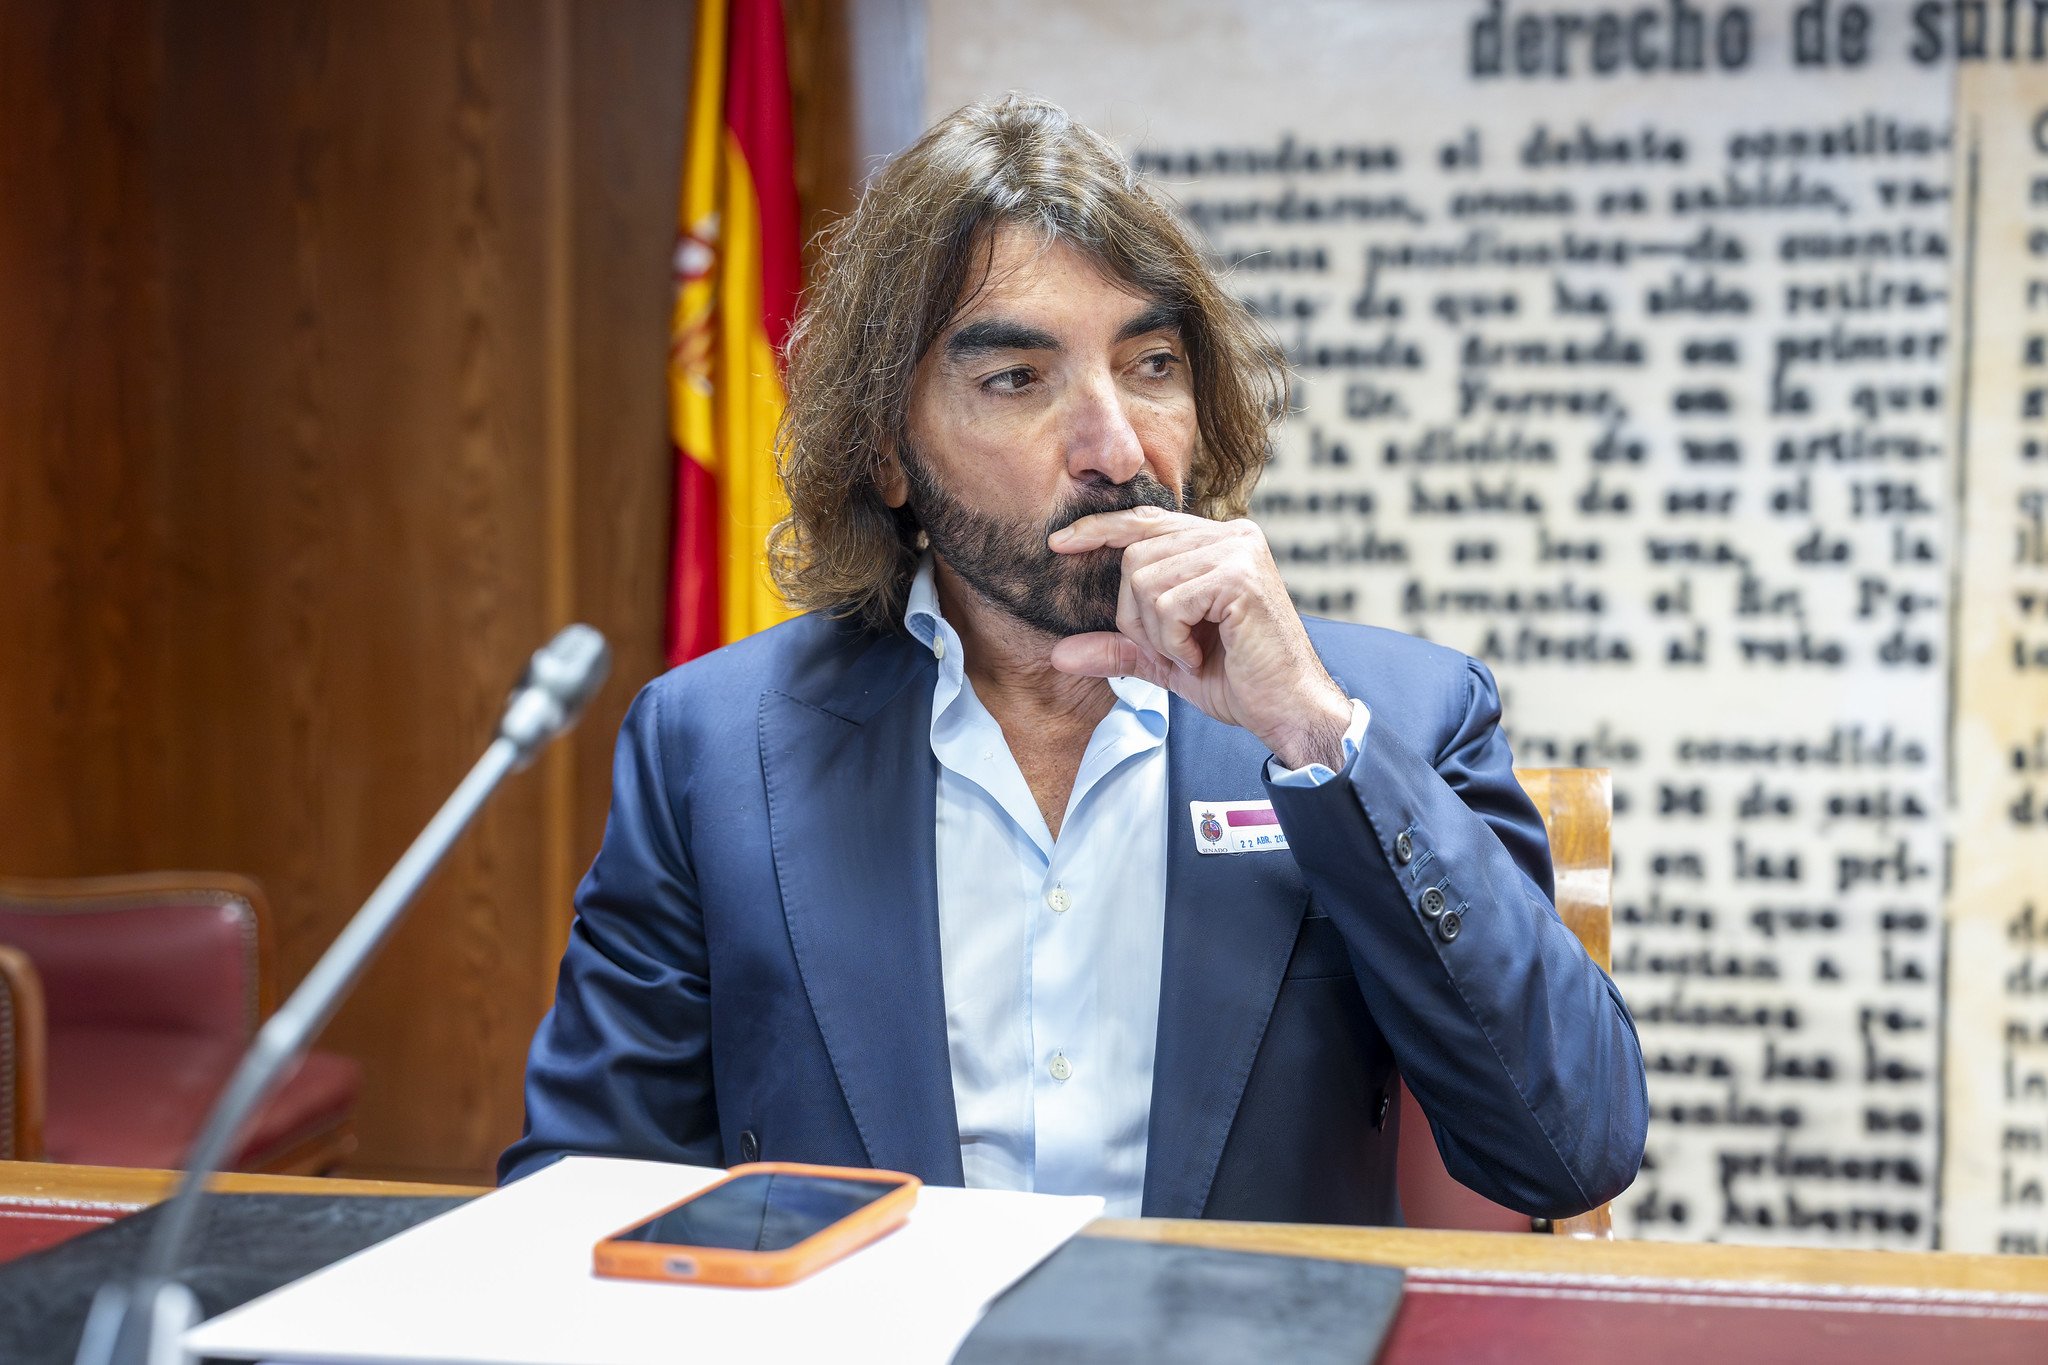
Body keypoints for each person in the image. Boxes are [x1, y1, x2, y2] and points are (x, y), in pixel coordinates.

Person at [500, 95, 1647, 1225]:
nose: (1114, 447)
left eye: (1149, 365)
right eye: (1017, 379)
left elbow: (1571, 1148)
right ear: (888, 454)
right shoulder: (712, 746)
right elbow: (577, 1207)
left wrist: (1314, 737)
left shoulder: (1390, 714)